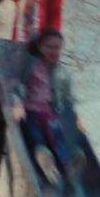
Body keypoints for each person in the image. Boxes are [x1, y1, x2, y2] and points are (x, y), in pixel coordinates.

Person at [8, 29, 85, 187]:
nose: (54, 51)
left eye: (57, 47)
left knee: (57, 133)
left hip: (50, 112)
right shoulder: (31, 66)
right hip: (30, 110)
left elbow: (69, 99)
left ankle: (67, 164)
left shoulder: (63, 74)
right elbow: (19, 85)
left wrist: (77, 117)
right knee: (36, 132)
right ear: (41, 48)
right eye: (50, 47)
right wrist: (18, 103)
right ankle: (43, 155)